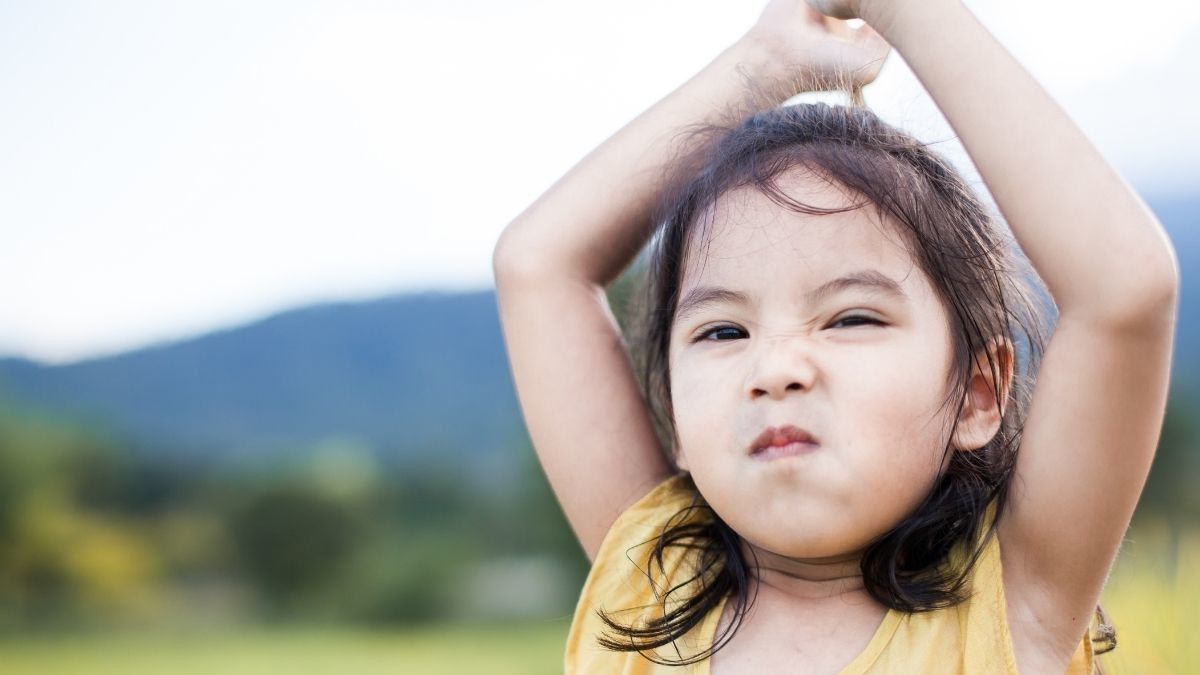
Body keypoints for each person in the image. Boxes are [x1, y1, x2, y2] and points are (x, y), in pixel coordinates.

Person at [491, 0, 1179, 673]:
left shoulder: (1012, 603)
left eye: (851, 318)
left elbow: (1124, 290)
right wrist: (762, 67)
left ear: (977, 391)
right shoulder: (649, 587)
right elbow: (536, 267)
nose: (776, 367)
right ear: (673, 413)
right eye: (724, 329)